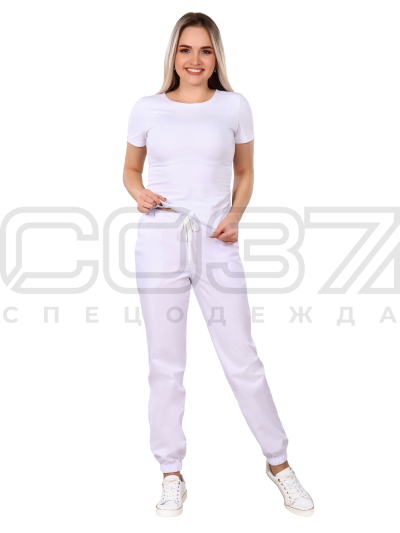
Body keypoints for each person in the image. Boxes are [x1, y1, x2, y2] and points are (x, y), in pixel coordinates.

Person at [123, 12, 314, 518]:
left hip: (216, 241)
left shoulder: (234, 106)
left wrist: (235, 215)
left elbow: (244, 170)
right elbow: (131, 170)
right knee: (165, 364)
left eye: (205, 50)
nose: (195, 60)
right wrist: (137, 192)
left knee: (242, 358)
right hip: (160, 241)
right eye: (186, 49)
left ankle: (279, 463)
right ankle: (171, 473)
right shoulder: (146, 108)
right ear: (173, 54)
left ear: (216, 57)